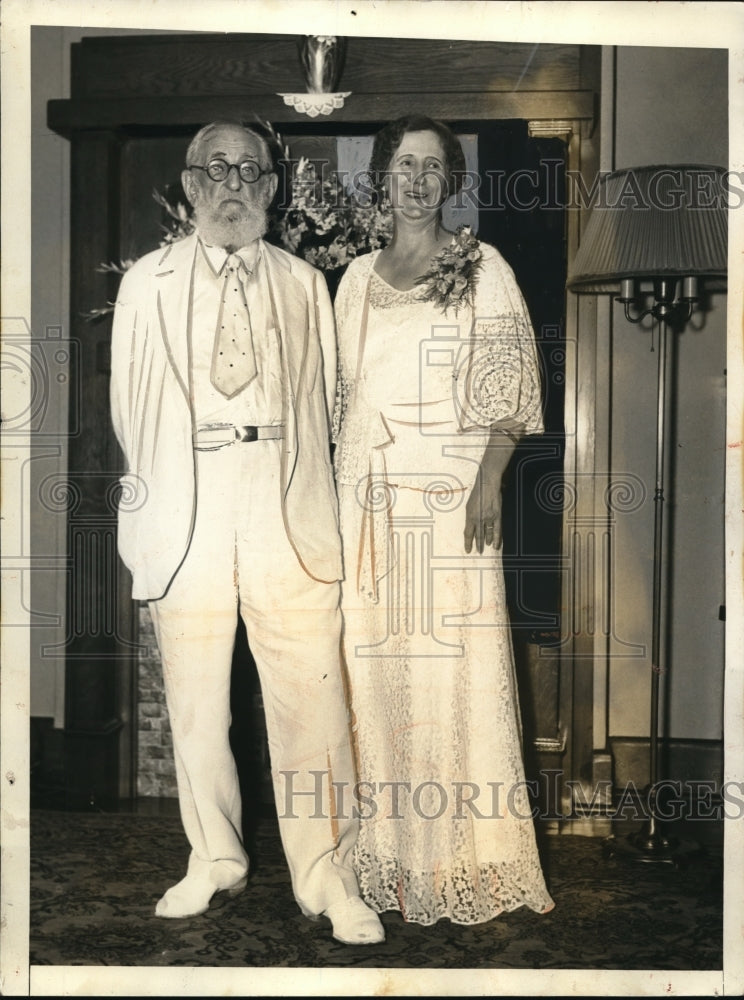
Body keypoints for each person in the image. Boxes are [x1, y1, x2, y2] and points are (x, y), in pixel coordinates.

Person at [109, 119, 384, 945]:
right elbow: (130, 408)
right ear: (190, 185)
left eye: (250, 170)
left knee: (312, 704)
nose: (233, 183)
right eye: (215, 169)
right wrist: (164, 501)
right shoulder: (145, 283)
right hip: (187, 513)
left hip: (286, 511)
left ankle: (326, 874)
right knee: (195, 707)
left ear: (272, 188)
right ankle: (213, 858)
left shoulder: (305, 283)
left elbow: (328, 408)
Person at [333, 115, 555, 925]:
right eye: (404, 164)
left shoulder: (480, 264)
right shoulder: (354, 278)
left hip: (455, 500)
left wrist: (490, 479)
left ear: (450, 179)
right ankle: (387, 853)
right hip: (372, 506)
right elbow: (338, 401)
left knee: (451, 673)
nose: (417, 179)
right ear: (382, 179)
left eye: (432, 165)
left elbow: (509, 384)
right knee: (381, 678)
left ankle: (468, 858)